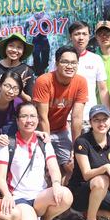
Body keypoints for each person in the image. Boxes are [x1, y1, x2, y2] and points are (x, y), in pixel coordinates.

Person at [0, 102, 73, 220]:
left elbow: (54, 168)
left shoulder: (44, 142)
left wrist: (56, 184)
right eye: (24, 116)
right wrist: (6, 194)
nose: (29, 120)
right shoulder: (8, 144)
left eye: (32, 116)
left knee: (65, 195)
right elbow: (0, 177)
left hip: (40, 198)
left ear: (38, 120)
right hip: (19, 198)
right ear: (17, 120)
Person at [32, 46, 88, 182]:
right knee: (47, 169)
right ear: (57, 63)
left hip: (61, 130)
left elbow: (76, 118)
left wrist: (76, 146)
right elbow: (42, 118)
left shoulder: (81, 82)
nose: (70, 66)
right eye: (65, 62)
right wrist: (47, 148)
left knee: (73, 166)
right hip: (40, 131)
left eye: (73, 63)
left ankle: (67, 192)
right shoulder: (44, 81)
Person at [68, 21, 110, 117]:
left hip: (90, 116)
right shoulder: (61, 59)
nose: (81, 38)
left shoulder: (96, 59)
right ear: (70, 37)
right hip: (66, 117)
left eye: (84, 34)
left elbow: (103, 89)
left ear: (89, 36)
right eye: (77, 34)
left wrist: (108, 113)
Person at [0, 33, 35, 101]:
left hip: (17, 107)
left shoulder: (27, 71)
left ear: (23, 51)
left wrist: (20, 90)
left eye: (19, 47)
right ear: (5, 48)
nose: (14, 50)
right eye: (11, 46)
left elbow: (29, 100)